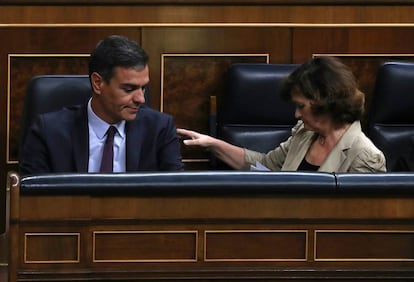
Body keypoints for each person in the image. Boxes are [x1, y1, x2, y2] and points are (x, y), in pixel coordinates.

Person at [177, 56, 386, 173]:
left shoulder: (365, 156)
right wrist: (213, 144)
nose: (296, 114)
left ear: (325, 103)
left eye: (301, 106)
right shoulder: (304, 134)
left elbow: (357, 222)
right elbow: (265, 165)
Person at [20, 35, 184, 175]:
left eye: (143, 88)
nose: (141, 99)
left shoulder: (159, 129)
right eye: (129, 89)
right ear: (98, 83)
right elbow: (32, 201)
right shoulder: (48, 131)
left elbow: (176, 197)